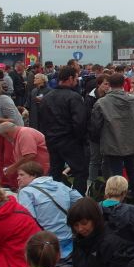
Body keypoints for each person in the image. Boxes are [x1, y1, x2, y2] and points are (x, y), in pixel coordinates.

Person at [91, 73, 134, 205]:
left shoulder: (102, 102)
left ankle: (118, 199)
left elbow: (96, 125)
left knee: (116, 172)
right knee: (132, 170)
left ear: (109, 84)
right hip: (129, 141)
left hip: (112, 142)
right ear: (123, 84)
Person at [16, 161, 82, 259]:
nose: (18, 178)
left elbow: (27, 220)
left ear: (33, 175)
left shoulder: (26, 192)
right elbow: (81, 202)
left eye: (21, 175)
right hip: (69, 240)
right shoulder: (60, 185)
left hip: (45, 243)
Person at [39, 66, 89, 194]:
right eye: (75, 78)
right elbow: (80, 121)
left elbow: (42, 120)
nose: (77, 81)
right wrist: (80, 138)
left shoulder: (47, 97)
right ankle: (78, 202)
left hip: (52, 139)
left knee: (55, 171)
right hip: (69, 140)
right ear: (70, 78)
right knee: (80, 171)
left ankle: (55, 198)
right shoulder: (74, 97)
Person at [0, 122, 49, 189]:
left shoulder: (24, 134)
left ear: (7, 133)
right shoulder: (19, 134)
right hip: (34, 170)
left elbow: (30, 155)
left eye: (4, 137)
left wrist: (13, 167)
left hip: (40, 171)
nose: (6, 139)